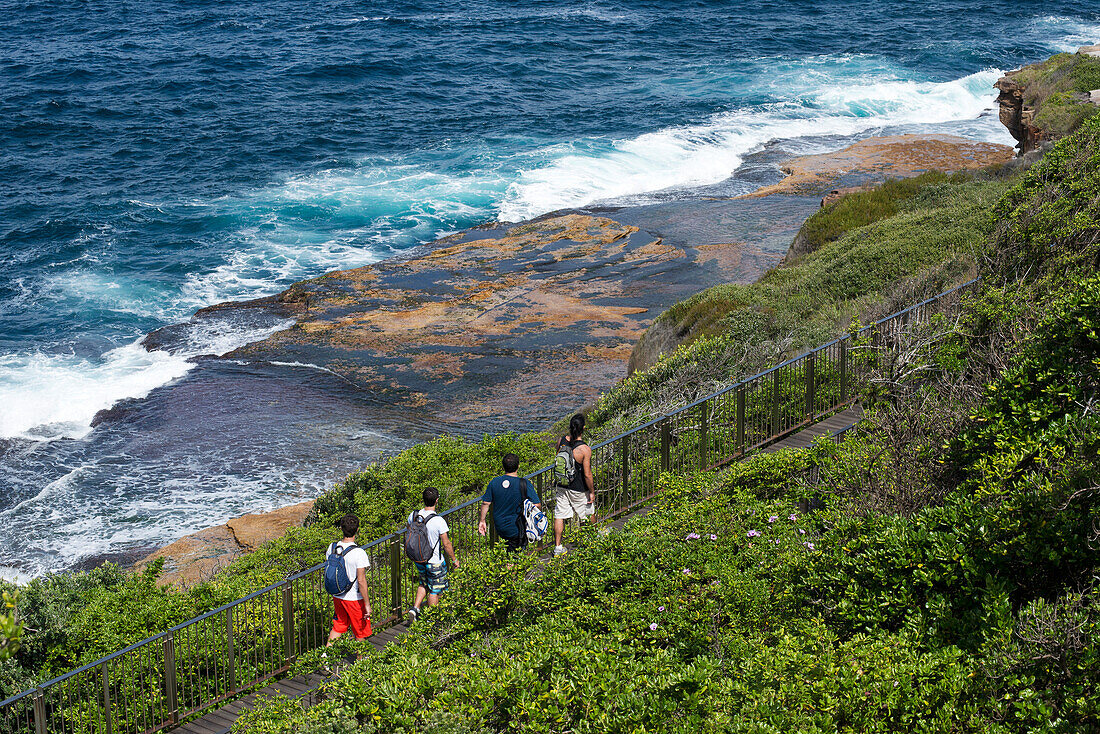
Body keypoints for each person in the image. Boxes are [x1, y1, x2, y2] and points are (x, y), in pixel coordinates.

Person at [406, 486, 459, 624]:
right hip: (434, 560)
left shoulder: (413, 515)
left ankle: (415, 608)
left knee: (423, 582)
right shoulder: (438, 521)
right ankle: (432, 620)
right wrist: (454, 559)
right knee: (435, 590)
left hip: (419, 558)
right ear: (436, 501)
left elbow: (409, 532)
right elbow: (446, 544)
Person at [478, 453, 541, 552]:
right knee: (515, 553)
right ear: (518, 466)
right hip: (517, 526)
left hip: (499, 526)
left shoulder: (494, 482)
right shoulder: (524, 483)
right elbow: (537, 504)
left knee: (506, 548)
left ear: (503, 467)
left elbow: (486, 503)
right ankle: (511, 566)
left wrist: (482, 521)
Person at [553, 413, 595, 557]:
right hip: (577, 488)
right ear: (583, 428)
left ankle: (558, 547)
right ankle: (591, 540)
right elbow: (587, 474)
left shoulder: (562, 441)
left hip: (561, 485)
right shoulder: (584, 449)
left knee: (560, 515)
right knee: (588, 513)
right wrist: (592, 491)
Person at [326, 514, 373, 645]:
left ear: (341, 528)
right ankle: (361, 662)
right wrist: (367, 604)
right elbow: (361, 581)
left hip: (338, 595)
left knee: (339, 626)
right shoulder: (359, 553)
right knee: (360, 631)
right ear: (357, 530)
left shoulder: (332, 547)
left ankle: (325, 658)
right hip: (354, 598)